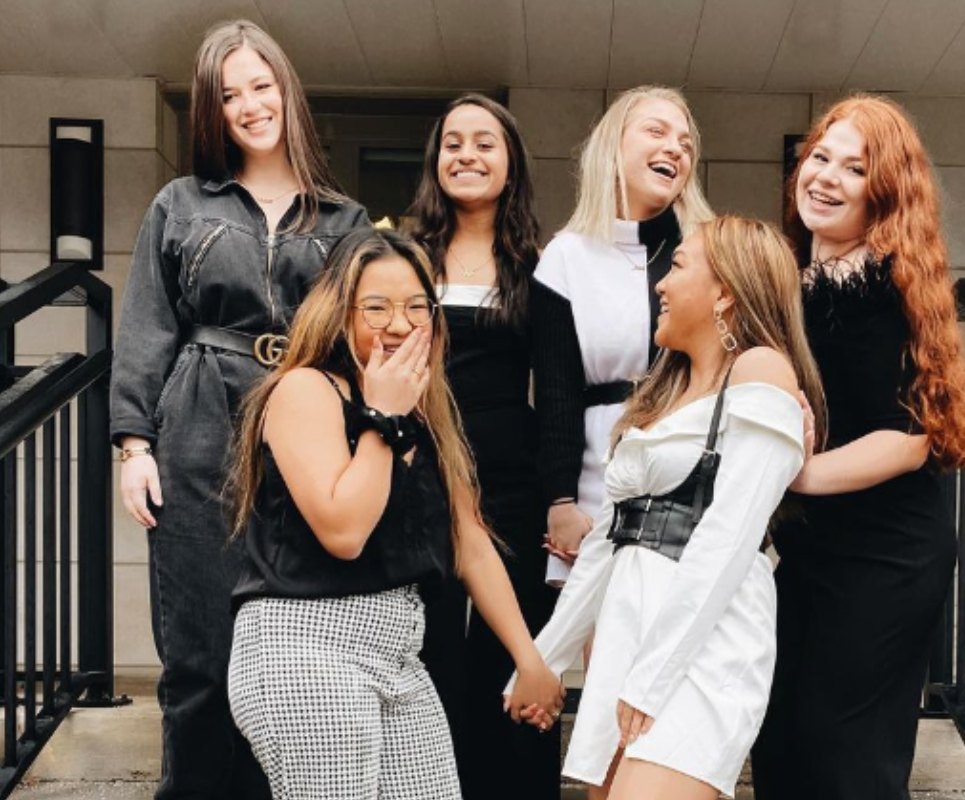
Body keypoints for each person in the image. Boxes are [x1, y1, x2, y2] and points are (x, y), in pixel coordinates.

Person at [109, 19, 369, 800]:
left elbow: (357, 344)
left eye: (261, 86)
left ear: (287, 90)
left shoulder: (344, 218)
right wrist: (134, 445)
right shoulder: (181, 204)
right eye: (230, 96)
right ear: (212, 113)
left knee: (289, 656)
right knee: (199, 660)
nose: (250, 105)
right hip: (195, 423)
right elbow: (148, 323)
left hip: (304, 427)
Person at [225, 227, 563, 800]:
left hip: (398, 653)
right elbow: (344, 531)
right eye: (376, 308)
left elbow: (470, 541)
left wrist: (529, 657)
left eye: (416, 308)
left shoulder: (424, 415)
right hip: (306, 645)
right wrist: (384, 418)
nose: (401, 325)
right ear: (339, 312)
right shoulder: (304, 391)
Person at [508, 215, 824, 800]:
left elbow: (728, 539)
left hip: (704, 651)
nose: (660, 283)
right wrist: (544, 659)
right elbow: (607, 541)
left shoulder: (760, 371)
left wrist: (653, 679)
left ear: (725, 290)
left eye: (678, 267)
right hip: (630, 637)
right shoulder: (666, 391)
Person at [750, 94, 965, 800]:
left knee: (844, 754)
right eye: (820, 157)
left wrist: (787, 477)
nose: (826, 177)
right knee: (782, 735)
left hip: (886, 553)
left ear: (881, 195)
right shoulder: (797, 280)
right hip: (815, 548)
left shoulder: (883, 287)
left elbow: (910, 438)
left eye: (854, 169)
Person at [407, 95, 561, 800]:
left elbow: (559, 395)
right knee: (428, 643)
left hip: (509, 478)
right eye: (453, 144)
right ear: (435, 161)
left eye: (485, 144)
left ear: (511, 165)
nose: (467, 156)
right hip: (414, 472)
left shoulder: (541, 268)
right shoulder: (403, 259)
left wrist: (561, 497)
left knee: (514, 644)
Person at [533, 85, 715, 585]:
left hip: (690, 471)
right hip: (598, 480)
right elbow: (555, 393)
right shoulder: (564, 257)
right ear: (613, 145)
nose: (675, 148)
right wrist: (561, 502)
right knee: (605, 653)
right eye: (656, 131)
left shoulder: (710, 251)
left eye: (686, 144)